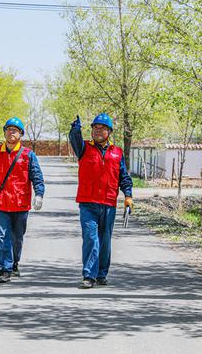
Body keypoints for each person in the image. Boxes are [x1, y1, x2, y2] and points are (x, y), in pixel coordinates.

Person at [69, 113, 133, 289]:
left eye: (102, 128)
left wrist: (128, 196)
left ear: (109, 132)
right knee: (91, 238)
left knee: (105, 241)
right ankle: (89, 275)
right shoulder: (84, 149)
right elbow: (75, 139)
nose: (98, 130)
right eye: (95, 128)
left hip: (109, 203)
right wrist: (75, 129)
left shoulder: (117, 153)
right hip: (88, 203)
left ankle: (102, 273)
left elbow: (124, 178)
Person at [0, 117, 45, 283]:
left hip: (21, 204)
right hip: (1, 203)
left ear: (21, 134)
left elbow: (37, 177)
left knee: (17, 237)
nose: (11, 132)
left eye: (15, 130)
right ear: (4, 132)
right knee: (2, 236)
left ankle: (14, 263)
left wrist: (39, 194)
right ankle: (4, 269)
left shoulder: (28, 155)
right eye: (8, 129)